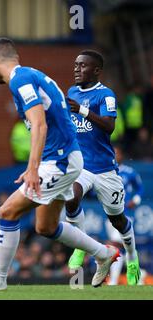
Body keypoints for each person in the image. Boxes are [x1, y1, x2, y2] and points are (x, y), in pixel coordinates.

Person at [0, 38, 119, 291]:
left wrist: (33, 168)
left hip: (58, 160)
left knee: (7, 212)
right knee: (45, 226)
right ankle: (103, 253)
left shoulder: (19, 80)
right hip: (66, 157)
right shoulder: (34, 75)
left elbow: (39, 124)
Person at [65, 50, 141, 285]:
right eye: (76, 65)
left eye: (83, 66)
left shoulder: (105, 95)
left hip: (105, 169)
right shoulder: (71, 92)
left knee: (117, 220)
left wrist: (83, 110)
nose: (77, 69)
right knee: (71, 197)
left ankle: (132, 256)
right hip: (82, 165)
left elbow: (109, 126)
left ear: (96, 70)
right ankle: (81, 244)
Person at [107, 145, 145, 285]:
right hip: (110, 213)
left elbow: (140, 189)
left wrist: (135, 200)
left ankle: (114, 280)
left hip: (126, 214)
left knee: (116, 245)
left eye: (117, 153)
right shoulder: (107, 171)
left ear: (122, 155)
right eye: (113, 153)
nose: (115, 155)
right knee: (122, 248)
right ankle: (139, 276)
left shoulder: (130, 172)